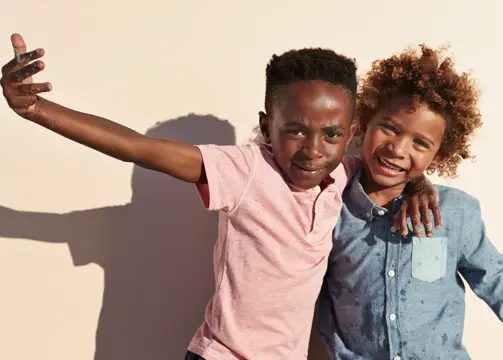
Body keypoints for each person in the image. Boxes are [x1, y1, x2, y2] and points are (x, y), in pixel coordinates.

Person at [0, 34, 440, 360]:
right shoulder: (245, 170)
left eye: (331, 135)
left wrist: (419, 185)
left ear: (350, 133)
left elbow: (394, 164)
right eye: (295, 130)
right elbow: (139, 147)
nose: (313, 150)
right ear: (268, 126)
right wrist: (35, 109)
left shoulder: (344, 172)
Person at [317, 44, 503, 360]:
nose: (398, 148)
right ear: (366, 121)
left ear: (438, 155)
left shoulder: (455, 214)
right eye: (389, 128)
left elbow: (500, 282)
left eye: (420, 143)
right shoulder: (328, 208)